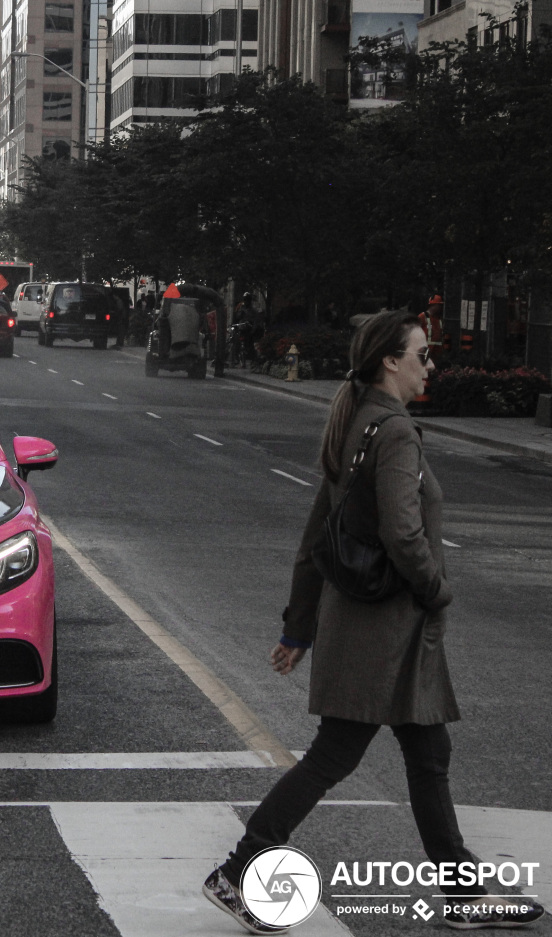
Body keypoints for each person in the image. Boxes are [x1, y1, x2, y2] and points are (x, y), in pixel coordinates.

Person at [202, 310, 545, 934]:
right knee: (336, 754)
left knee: (428, 749)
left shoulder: (353, 422)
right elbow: (402, 532)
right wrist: (437, 588)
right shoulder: (394, 432)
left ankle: (462, 892)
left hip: (367, 625)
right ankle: (240, 868)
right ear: (391, 359)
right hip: (385, 628)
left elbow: (314, 541)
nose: (430, 364)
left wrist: (298, 628)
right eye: (422, 353)